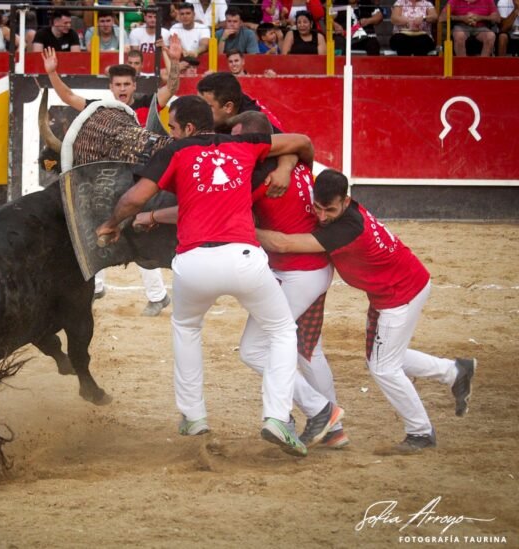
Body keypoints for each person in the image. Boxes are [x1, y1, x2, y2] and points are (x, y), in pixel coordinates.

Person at [95, 96, 317, 456]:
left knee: (186, 327)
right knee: (280, 331)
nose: (170, 134)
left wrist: (111, 222)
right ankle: (277, 416)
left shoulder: (175, 151)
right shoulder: (245, 144)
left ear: (188, 128)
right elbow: (302, 141)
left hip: (193, 262)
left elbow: (135, 198)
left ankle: (194, 416)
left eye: (173, 127)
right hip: (244, 258)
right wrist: (287, 165)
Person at [256, 169, 476, 454]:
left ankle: (420, 431)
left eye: (330, 210)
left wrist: (241, 228)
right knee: (385, 358)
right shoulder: (343, 216)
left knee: (384, 367)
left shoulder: (346, 228)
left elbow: (282, 244)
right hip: (394, 289)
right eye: (318, 208)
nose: (322, 216)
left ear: (346, 202)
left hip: (400, 294)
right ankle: (453, 371)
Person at [232, 111, 348, 448]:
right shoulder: (295, 163)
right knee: (308, 349)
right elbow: (299, 145)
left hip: (298, 274)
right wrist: (287, 161)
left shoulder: (259, 180)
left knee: (254, 350)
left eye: (238, 141)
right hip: (312, 270)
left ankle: (321, 410)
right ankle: (334, 430)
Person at [43, 36, 182, 315]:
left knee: (139, 234)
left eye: (127, 84)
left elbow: (173, 86)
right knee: (96, 225)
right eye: (118, 84)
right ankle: (98, 287)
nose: (122, 89)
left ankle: (156, 295)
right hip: (112, 181)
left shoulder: (148, 104)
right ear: (111, 87)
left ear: (134, 85)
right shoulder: (101, 109)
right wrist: (52, 73)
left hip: (144, 183)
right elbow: (68, 97)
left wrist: (175, 61)